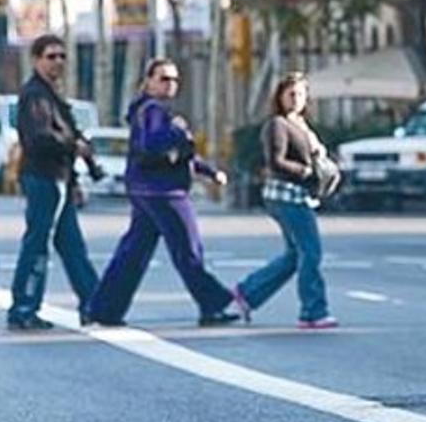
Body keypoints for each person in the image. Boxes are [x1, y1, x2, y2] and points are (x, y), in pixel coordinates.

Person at [84, 59, 242, 327]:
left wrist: (208, 171)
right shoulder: (155, 110)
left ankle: (103, 309)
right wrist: (181, 137)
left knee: (133, 253)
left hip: (146, 190)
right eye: (164, 79)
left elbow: (177, 153)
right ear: (148, 81)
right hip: (164, 192)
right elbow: (156, 146)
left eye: (174, 80)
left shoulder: (147, 110)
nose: (170, 84)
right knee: (188, 250)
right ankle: (212, 303)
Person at [6, 35, 99, 330]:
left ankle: (95, 304)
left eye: (61, 56)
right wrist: (74, 145)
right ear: (36, 59)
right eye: (51, 56)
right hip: (43, 177)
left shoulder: (50, 95)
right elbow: (38, 138)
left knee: (72, 247)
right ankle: (23, 308)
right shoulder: (35, 95)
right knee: (37, 244)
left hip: (59, 178)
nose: (58, 61)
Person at [233, 72, 337, 329]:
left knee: (295, 255)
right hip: (285, 195)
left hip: (301, 195)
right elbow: (276, 161)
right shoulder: (277, 124)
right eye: (290, 94)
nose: (296, 99)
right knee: (311, 252)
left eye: (301, 94)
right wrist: (305, 172)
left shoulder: (300, 123)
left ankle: (248, 293)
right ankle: (313, 311)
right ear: (279, 96)